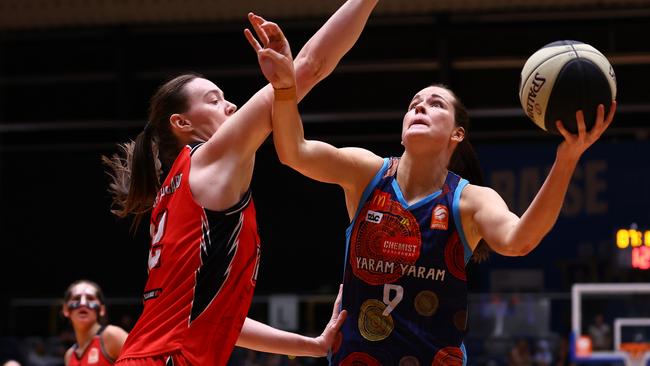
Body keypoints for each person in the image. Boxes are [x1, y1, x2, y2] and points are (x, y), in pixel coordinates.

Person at [246, 19, 617, 365]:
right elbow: (293, 152)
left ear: (457, 134)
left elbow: (519, 240)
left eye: (435, 104)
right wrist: (284, 87)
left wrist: (567, 159)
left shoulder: (471, 200)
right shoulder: (367, 173)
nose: (420, 107)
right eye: (413, 105)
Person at [102, 1, 379, 365]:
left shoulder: (174, 192)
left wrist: (311, 345)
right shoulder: (208, 159)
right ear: (181, 123)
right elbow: (311, 65)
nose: (231, 106)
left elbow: (223, 318)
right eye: (214, 100)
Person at [62, 280, 128, 366]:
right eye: (76, 298)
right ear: (66, 310)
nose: (83, 303)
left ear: (101, 309)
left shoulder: (111, 335)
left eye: (90, 298)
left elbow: (145, 360)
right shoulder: (69, 355)